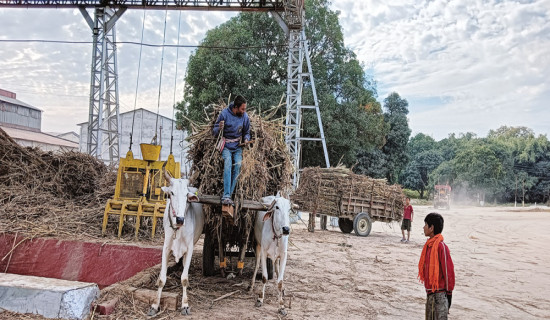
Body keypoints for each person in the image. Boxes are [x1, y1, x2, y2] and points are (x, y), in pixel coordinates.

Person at [212, 95, 250, 205]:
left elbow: (247, 132)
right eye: (242, 109)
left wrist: (247, 139)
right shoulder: (224, 114)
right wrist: (219, 127)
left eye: (245, 109)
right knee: (228, 162)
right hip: (226, 145)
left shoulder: (245, 117)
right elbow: (214, 132)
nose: (244, 111)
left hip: (238, 146)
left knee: (238, 165)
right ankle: (226, 195)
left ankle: (229, 196)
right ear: (235, 107)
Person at [419, 212, 455, 320]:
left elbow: (448, 272)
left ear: (431, 228)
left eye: (425, 224)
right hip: (430, 293)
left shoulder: (441, 247)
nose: (423, 227)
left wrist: (449, 294)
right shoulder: (428, 246)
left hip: (440, 295)